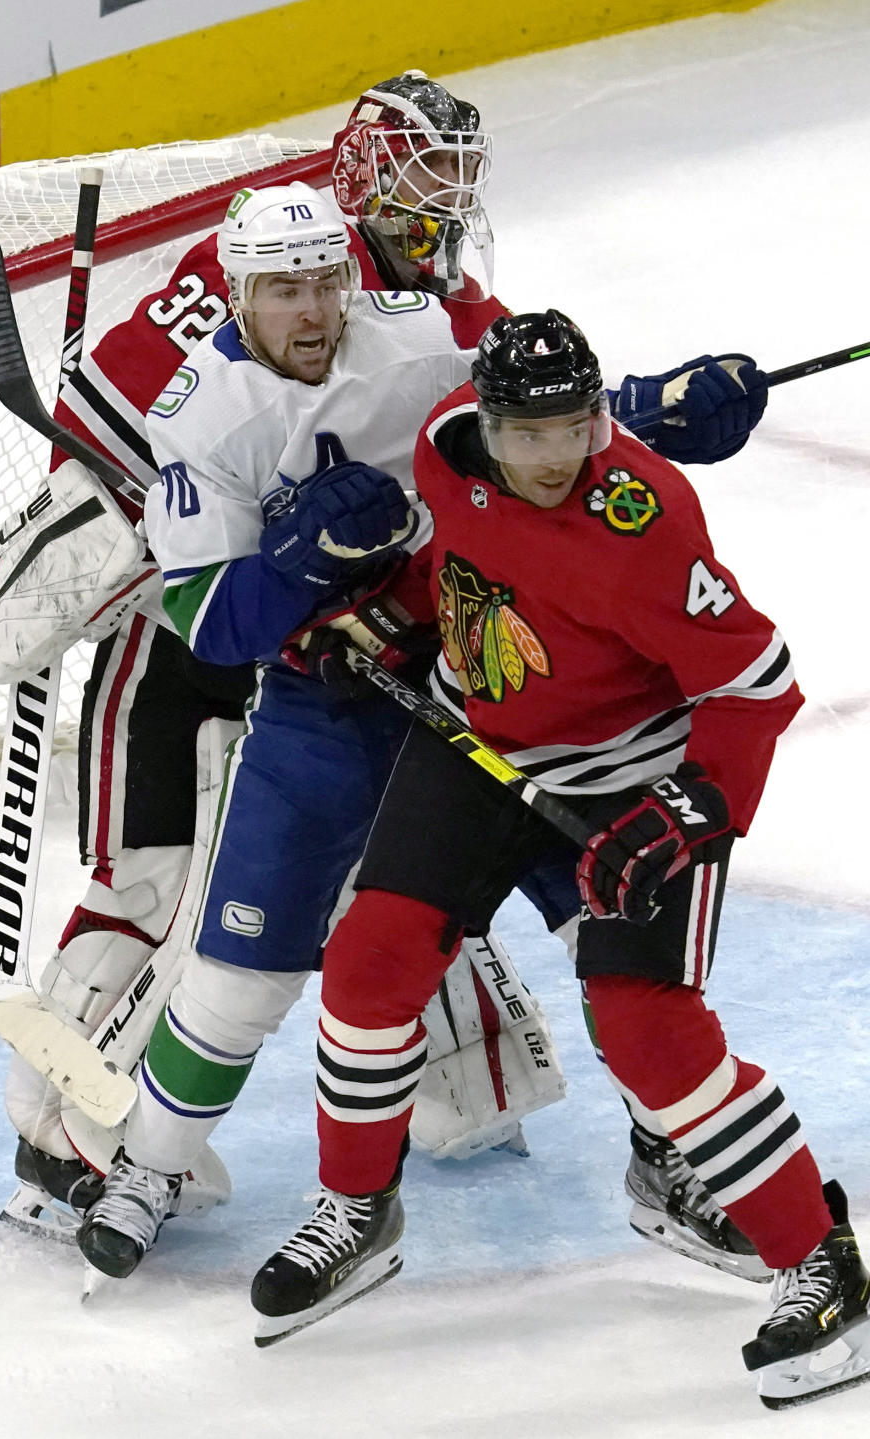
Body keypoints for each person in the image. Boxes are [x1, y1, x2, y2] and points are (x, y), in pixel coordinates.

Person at [0, 71, 768, 1250]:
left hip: (428, 665)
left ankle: (614, 1138)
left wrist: (648, 409)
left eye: (324, 284)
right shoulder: (203, 393)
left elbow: (522, 419)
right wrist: (295, 568)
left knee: (583, 906)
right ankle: (80, 1147)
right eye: (284, 290)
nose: (311, 307)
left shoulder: (410, 315)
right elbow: (180, 577)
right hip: (179, 637)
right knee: (159, 898)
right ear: (243, 288)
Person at [248, 310, 870, 1410]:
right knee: (369, 961)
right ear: (486, 420)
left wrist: (688, 809)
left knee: (644, 1025)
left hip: (635, 771)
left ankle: (822, 1260)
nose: (555, 456)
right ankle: (359, 1207)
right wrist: (388, 612)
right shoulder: (445, 446)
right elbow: (459, 558)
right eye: (530, 432)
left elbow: (757, 687)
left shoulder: (647, 522)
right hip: (477, 740)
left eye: (577, 427)